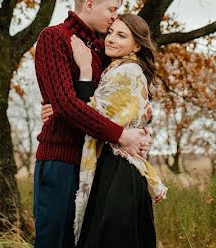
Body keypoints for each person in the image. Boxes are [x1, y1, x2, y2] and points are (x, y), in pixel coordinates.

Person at [33, 0, 152, 248]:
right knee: (56, 242)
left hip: (97, 163)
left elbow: (118, 100)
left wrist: (139, 130)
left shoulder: (103, 48)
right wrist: (121, 135)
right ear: (89, 4)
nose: (115, 18)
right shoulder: (55, 38)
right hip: (61, 160)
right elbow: (64, 104)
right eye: (112, 10)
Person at [71, 13, 167, 248]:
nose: (111, 39)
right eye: (111, 32)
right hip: (116, 164)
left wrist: (84, 71)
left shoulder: (128, 72)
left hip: (119, 170)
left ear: (137, 45)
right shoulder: (116, 69)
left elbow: (94, 117)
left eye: (122, 35)